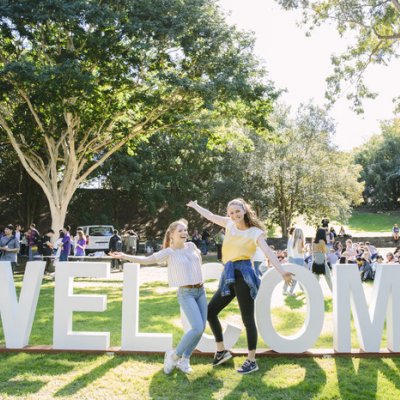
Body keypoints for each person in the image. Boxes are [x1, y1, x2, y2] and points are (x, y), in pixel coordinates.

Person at [187, 198, 293, 374]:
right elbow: (211, 215)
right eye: (231, 213)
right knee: (210, 311)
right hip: (228, 274)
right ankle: (221, 351)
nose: (234, 215)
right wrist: (196, 206)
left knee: (247, 319)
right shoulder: (229, 224)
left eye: (237, 211)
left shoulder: (255, 232)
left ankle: (251, 360)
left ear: (244, 210)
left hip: (244, 275)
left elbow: (268, 252)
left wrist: (282, 272)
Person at [112, 219, 206, 375]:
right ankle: (174, 356)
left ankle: (185, 360)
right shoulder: (169, 252)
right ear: (172, 235)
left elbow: (198, 264)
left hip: (200, 291)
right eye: (180, 231)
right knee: (196, 327)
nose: (184, 233)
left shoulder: (192, 246)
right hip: (186, 292)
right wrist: (124, 255)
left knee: (200, 329)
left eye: (185, 230)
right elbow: (146, 260)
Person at [284, 228, 305, 296]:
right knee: (296, 277)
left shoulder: (293, 240)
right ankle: (291, 291)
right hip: (299, 259)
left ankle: (286, 289)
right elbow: (299, 251)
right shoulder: (299, 240)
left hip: (295, 258)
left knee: (293, 275)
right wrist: (306, 250)